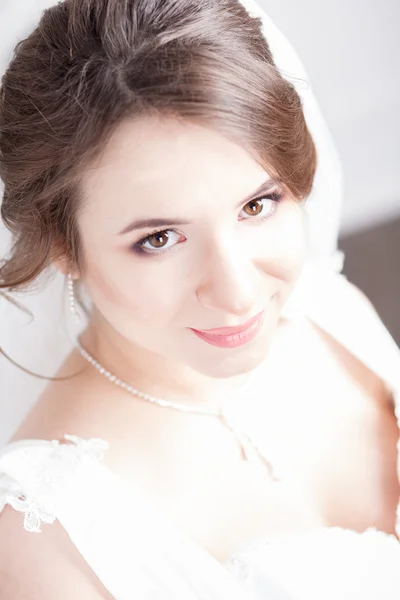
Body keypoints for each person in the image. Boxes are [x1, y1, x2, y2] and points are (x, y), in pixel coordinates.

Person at [0, 0, 399, 598]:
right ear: (64, 245)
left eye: (256, 205)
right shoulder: (47, 537)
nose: (239, 292)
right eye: (159, 239)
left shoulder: (331, 312)